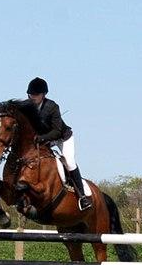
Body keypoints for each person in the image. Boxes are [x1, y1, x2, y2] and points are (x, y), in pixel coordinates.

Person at [25, 77, 92, 211]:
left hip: (62, 137)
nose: (32, 97)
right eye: (30, 94)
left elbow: (57, 131)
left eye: (35, 95)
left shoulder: (52, 107)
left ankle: (82, 196)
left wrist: (42, 138)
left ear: (43, 95)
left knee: (69, 161)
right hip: (44, 139)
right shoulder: (27, 107)